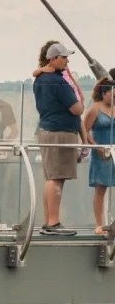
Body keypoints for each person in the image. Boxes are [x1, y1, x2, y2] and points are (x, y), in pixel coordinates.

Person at [33, 42, 85, 236]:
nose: (67, 61)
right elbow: (77, 109)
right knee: (57, 178)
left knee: (51, 177)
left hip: (47, 131)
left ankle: (49, 221)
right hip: (61, 132)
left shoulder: (40, 79)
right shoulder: (58, 82)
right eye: (64, 58)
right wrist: (79, 101)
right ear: (53, 59)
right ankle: (53, 223)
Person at [83, 79, 115, 235]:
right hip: (101, 153)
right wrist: (96, 147)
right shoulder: (95, 109)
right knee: (100, 188)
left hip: (114, 151)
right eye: (113, 94)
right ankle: (99, 224)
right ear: (104, 93)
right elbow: (84, 130)